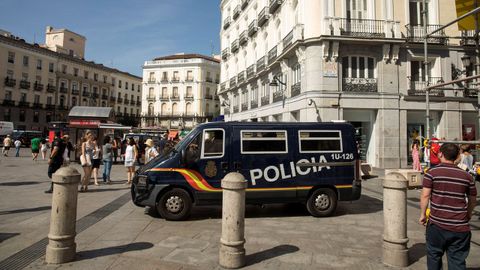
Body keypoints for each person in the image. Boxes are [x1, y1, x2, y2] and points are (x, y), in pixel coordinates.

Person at [419, 143, 477, 270]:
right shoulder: (467, 176)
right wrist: (468, 214)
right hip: (460, 226)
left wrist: (423, 214)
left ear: (440, 154)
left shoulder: (432, 173)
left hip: (437, 224)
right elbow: (473, 200)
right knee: (457, 261)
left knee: (434, 257)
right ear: (457, 156)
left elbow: (425, 196)